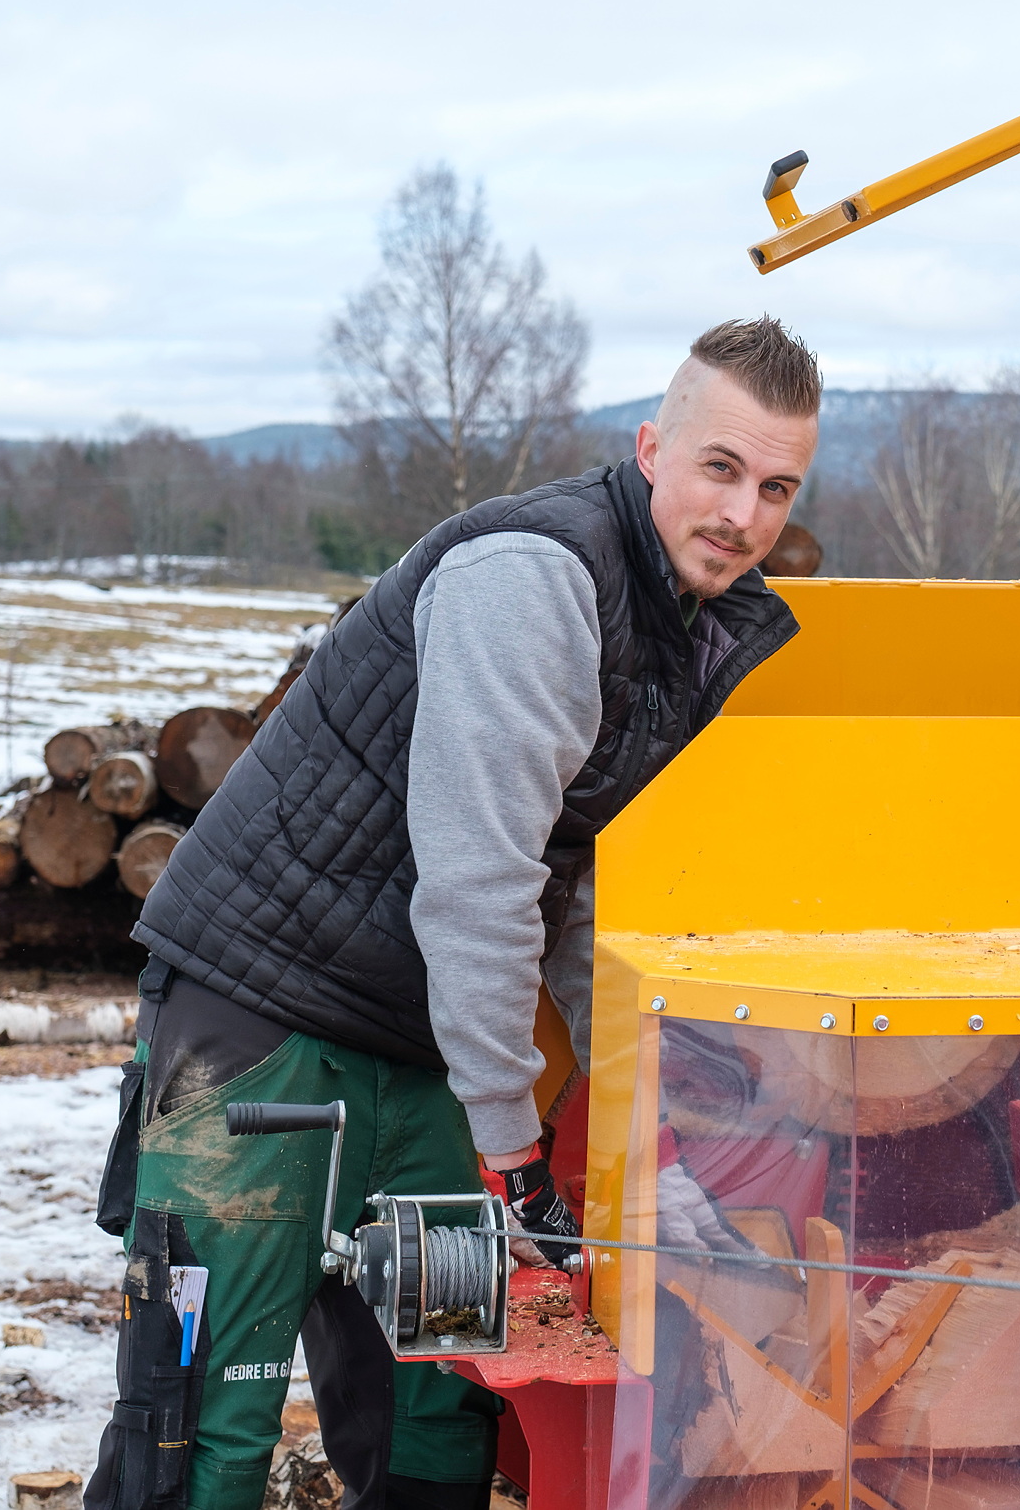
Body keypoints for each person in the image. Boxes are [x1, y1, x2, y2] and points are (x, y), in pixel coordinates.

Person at [84, 317, 823, 1510]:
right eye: (721, 468)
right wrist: (514, 1144)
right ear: (650, 447)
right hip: (258, 1017)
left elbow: (577, 896)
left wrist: (655, 1118)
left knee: (439, 1394)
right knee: (206, 1418)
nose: (744, 514)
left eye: (777, 485)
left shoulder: (676, 632)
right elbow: (479, 877)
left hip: (414, 1040)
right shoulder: (535, 577)